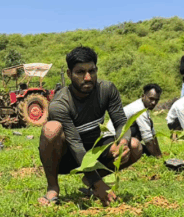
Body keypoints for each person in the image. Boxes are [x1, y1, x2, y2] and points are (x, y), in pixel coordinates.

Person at [38, 46, 142, 207]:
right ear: (69, 74)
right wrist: (98, 184)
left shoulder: (107, 90)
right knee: (51, 129)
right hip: (68, 156)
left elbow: (121, 122)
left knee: (135, 146)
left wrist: (123, 143)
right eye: (80, 72)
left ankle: (90, 178)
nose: (87, 78)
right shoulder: (60, 104)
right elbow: (75, 144)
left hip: (95, 149)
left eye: (92, 71)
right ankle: (53, 187)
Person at [103, 83, 163, 158]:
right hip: (113, 137)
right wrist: (159, 156)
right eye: (151, 99)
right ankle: (131, 149)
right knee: (144, 129)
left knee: (149, 123)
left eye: (156, 100)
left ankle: (140, 150)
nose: (153, 103)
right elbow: (148, 139)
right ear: (143, 96)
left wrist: (159, 152)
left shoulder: (143, 106)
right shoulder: (139, 109)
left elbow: (153, 134)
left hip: (121, 135)